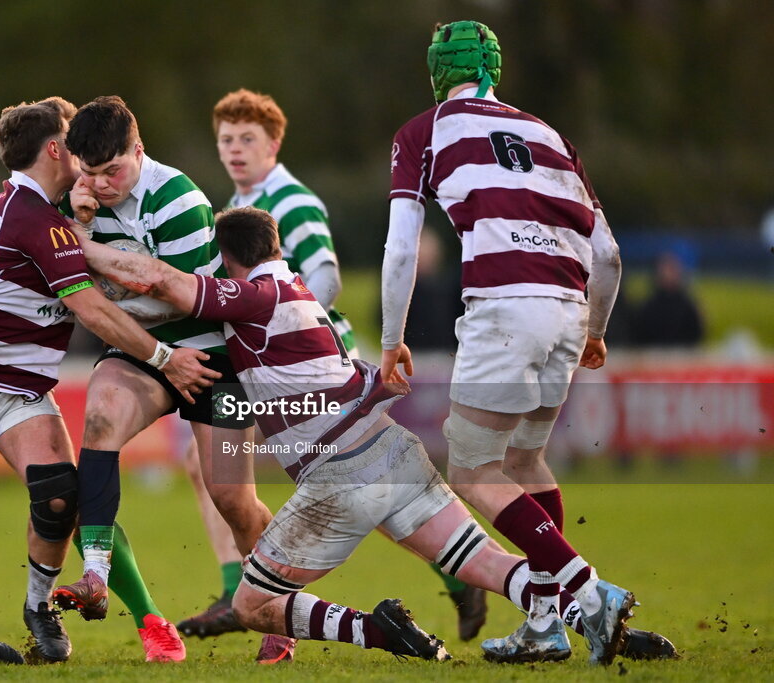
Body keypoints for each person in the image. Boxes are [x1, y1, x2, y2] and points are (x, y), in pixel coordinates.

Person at [76, 206, 677, 665]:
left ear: (228, 258)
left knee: (252, 606)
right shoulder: (298, 291)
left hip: (342, 474)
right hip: (393, 451)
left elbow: (164, 284)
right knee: (486, 564)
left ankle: (376, 629)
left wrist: (82, 247)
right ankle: (597, 607)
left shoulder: (254, 296)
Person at [177, 89, 486, 646]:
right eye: (227, 139)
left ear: (274, 144)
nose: (235, 150)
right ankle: (251, 590)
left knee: (327, 487)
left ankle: (249, 592)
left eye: (248, 139)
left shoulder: (289, 199)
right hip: (267, 365)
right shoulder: (237, 203)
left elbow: (326, 274)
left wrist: (274, 332)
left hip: (297, 370)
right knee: (218, 471)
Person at [0, 97, 215, 665]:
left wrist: (80, 219)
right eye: (72, 139)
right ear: (56, 149)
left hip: (20, 390)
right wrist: (165, 357)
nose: (84, 154)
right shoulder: (31, 215)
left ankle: (38, 607)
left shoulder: (50, 204)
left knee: (58, 497)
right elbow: (95, 312)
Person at [380, 20, 635, 664]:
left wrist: (391, 340)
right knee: (524, 463)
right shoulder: (551, 135)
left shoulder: (425, 130)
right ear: (495, 66)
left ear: (437, 71)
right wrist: (596, 332)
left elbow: (402, 248)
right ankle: (544, 627)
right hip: (568, 310)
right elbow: (606, 256)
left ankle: (587, 593)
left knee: (470, 469)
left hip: (503, 310)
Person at [47, 96, 293, 664]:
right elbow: (63, 275)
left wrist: (82, 248)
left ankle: (283, 609)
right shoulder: (77, 200)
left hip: (212, 355)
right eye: (91, 173)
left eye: (114, 171)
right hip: (141, 349)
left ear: (139, 150)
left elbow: (170, 296)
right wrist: (72, 222)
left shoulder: (178, 197)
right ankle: (95, 574)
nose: (103, 184)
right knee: (102, 412)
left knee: (233, 497)